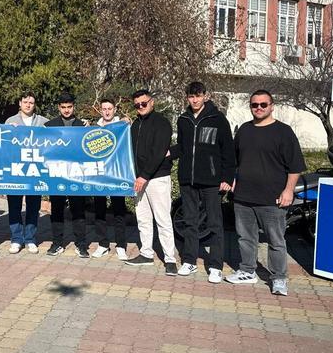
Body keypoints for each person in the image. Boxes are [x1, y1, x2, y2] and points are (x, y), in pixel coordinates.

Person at [228, 90, 305, 296]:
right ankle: (247, 271)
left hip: (273, 198)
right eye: (255, 105)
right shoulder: (244, 130)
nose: (259, 108)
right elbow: (235, 160)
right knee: (245, 238)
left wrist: (288, 191)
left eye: (263, 104)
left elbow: (295, 166)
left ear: (272, 106)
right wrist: (233, 180)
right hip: (244, 197)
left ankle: (279, 278)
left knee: (276, 241)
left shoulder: (283, 132)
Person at [172, 82, 235, 283]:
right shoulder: (183, 119)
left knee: (214, 223)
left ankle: (215, 266)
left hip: (211, 181)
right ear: (187, 98)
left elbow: (228, 151)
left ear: (205, 96)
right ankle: (189, 260)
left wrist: (227, 178)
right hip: (187, 180)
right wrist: (166, 152)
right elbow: (182, 147)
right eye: (191, 96)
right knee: (190, 221)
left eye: (198, 96)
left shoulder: (218, 119)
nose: (195, 100)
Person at [127, 89, 178, 275]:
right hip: (139, 179)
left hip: (157, 178)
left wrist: (144, 176)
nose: (140, 107)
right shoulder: (135, 125)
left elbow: (159, 152)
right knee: (143, 218)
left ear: (152, 102)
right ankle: (146, 253)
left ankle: (170, 259)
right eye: (137, 105)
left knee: (162, 219)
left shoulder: (161, 123)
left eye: (144, 103)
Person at [45, 93, 89, 258]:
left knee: (78, 211)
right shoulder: (49, 126)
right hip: (56, 174)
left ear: (73, 107)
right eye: (63, 107)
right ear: (59, 107)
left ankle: (81, 245)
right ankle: (57, 243)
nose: (66, 110)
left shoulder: (82, 126)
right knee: (56, 210)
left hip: (76, 174)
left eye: (69, 107)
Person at [4, 92, 48, 254]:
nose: (28, 105)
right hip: (16, 170)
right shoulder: (10, 121)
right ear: (20, 103)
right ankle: (16, 239)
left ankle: (30, 239)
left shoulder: (43, 122)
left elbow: (57, 136)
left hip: (35, 171)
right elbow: (3, 144)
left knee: (33, 206)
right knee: (14, 205)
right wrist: (9, 130)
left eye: (31, 102)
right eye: (25, 102)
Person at [91, 98, 129, 260]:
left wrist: (127, 122)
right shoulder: (94, 127)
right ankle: (103, 244)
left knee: (119, 210)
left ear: (115, 109)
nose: (107, 111)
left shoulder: (122, 126)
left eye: (110, 108)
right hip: (98, 175)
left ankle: (121, 245)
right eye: (104, 109)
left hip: (117, 174)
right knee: (99, 210)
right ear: (100, 110)